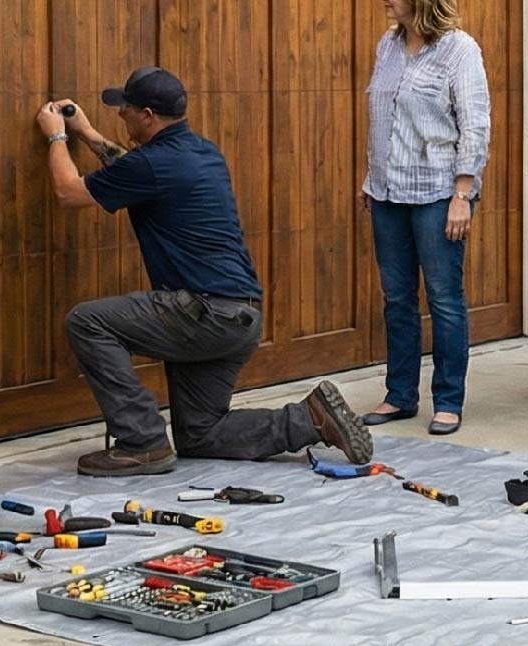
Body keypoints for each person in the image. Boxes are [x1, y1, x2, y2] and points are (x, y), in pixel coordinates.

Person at [35, 66, 372, 476]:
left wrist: (56, 135)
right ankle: (310, 418)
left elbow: (68, 192)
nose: (120, 113)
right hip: (239, 316)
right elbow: (133, 169)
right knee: (200, 434)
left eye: (125, 108)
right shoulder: (201, 152)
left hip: (204, 313)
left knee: (87, 322)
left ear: (147, 116)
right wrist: (87, 133)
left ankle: (142, 442)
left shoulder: (153, 164)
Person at [358, 0, 490, 436]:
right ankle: (400, 394)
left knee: (444, 298)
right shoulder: (387, 46)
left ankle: (448, 401)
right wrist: (370, 177)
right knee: (397, 298)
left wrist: (462, 193)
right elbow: (382, 119)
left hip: (439, 192)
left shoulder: (459, 49)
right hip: (387, 192)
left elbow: (475, 125)